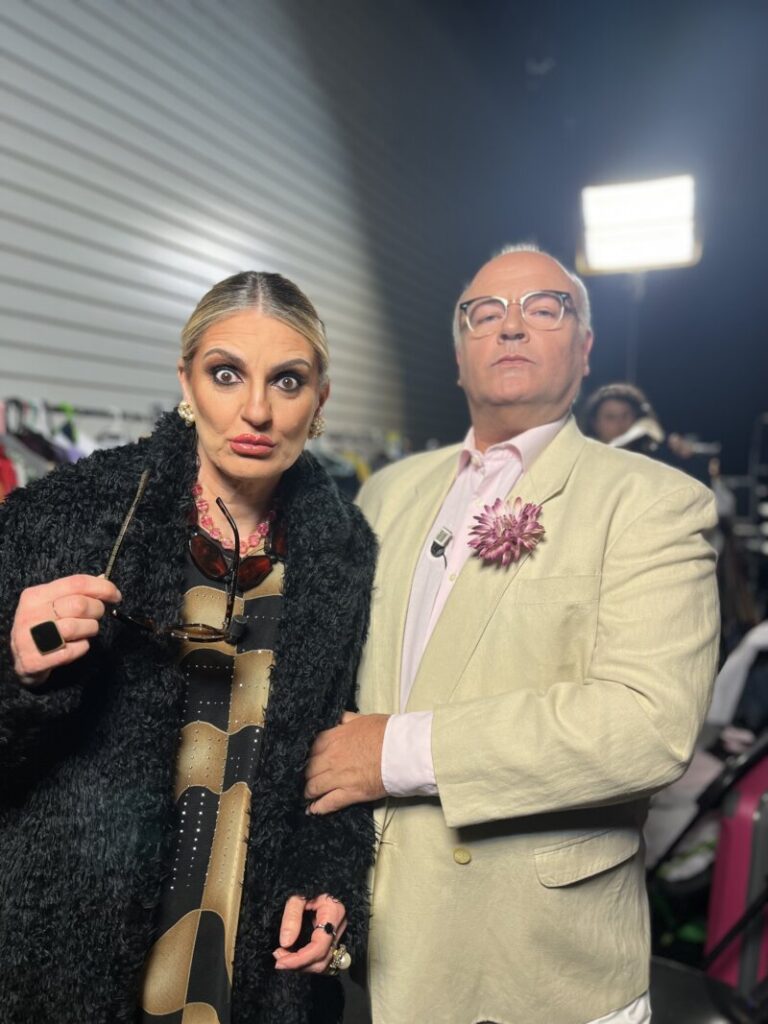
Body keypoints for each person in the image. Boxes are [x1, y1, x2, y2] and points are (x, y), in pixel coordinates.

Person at [305, 245, 720, 1024]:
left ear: (585, 348)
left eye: (544, 308)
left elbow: (647, 725)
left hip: (540, 959)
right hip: (389, 947)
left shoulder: (652, 502)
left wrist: (392, 752)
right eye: (484, 313)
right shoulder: (387, 492)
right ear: (459, 356)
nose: (511, 327)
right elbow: (338, 688)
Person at [0, 272, 376, 1024]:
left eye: (289, 380)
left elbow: (336, 743)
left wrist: (327, 878)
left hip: (247, 942)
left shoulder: (343, 551)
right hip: (73, 941)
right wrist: (20, 676)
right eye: (226, 373)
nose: (257, 410)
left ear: (321, 400)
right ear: (186, 381)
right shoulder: (72, 516)